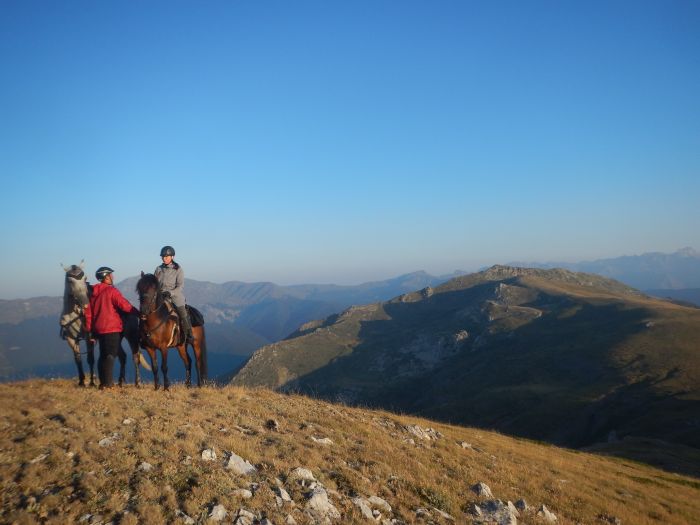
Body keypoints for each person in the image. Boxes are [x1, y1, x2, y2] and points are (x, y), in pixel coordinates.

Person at [84, 266, 139, 389]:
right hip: (112, 328)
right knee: (111, 355)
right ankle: (108, 384)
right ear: (105, 277)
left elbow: (88, 313)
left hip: (98, 330)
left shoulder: (92, 293)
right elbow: (124, 305)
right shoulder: (111, 291)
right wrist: (139, 313)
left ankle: (103, 382)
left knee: (103, 356)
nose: (112, 277)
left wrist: (90, 331)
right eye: (110, 275)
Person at [155, 245, 194, 344]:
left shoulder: (178, 269)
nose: (164, 259)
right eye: (163, 257)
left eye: (166, 257)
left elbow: (180, 286)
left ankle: (189, 335)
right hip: (161, 296)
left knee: (182, 313)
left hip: (175, 297)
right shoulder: (158, 269)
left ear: (172, 257)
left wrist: (170, 293)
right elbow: (155, 283)